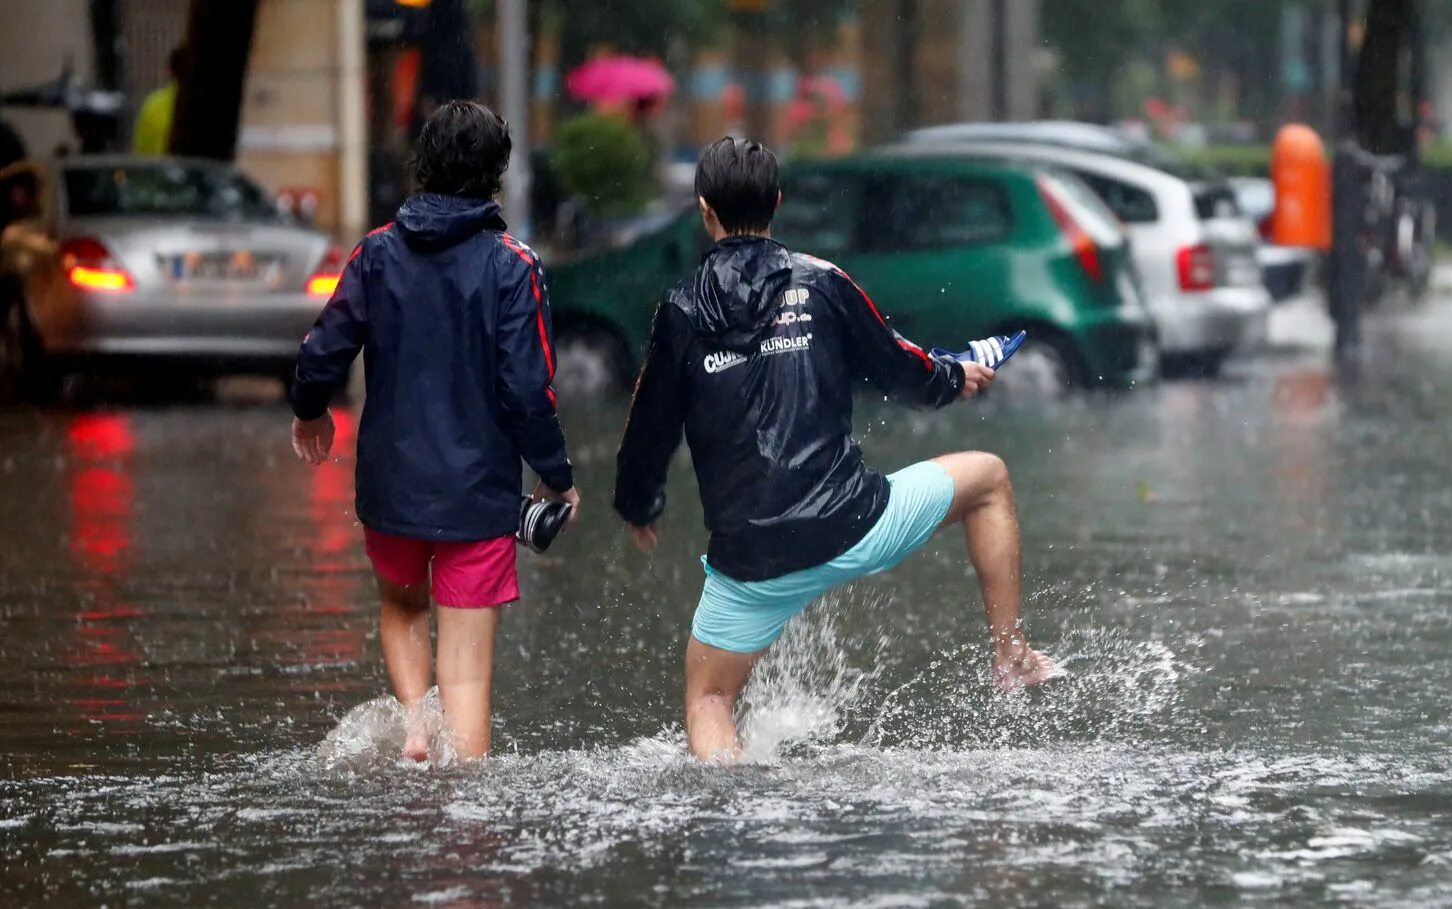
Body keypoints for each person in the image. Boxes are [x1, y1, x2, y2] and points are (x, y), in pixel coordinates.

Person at [613, 137, 1054, 763]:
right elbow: (900, 368)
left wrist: (641, 503)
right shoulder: (821, 282)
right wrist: (954, 378)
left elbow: (649, 424)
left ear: (704, 211)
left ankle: (727, 821)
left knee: (709, 701)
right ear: (778, 204)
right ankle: (1010, 655)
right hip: (853, 522)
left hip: (750, 562)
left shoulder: (680, 310)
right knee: (988, 478)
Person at [289, 100, 578, 762]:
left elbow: (322, 350)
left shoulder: (376, 253)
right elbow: (529, 390)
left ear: (424, 163)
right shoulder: (514, 266)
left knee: (403, 606)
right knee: (469, 673)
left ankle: (417, 723)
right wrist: (556, 477)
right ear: (496, 173)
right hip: (478, 498)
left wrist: (310, 409)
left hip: (391, 489)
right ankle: (465, 819)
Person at [133, 45, 186, 156]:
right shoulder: (204, 104)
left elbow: (140, 150)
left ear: (171, 71)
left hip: (156, 171)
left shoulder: (152, 103)